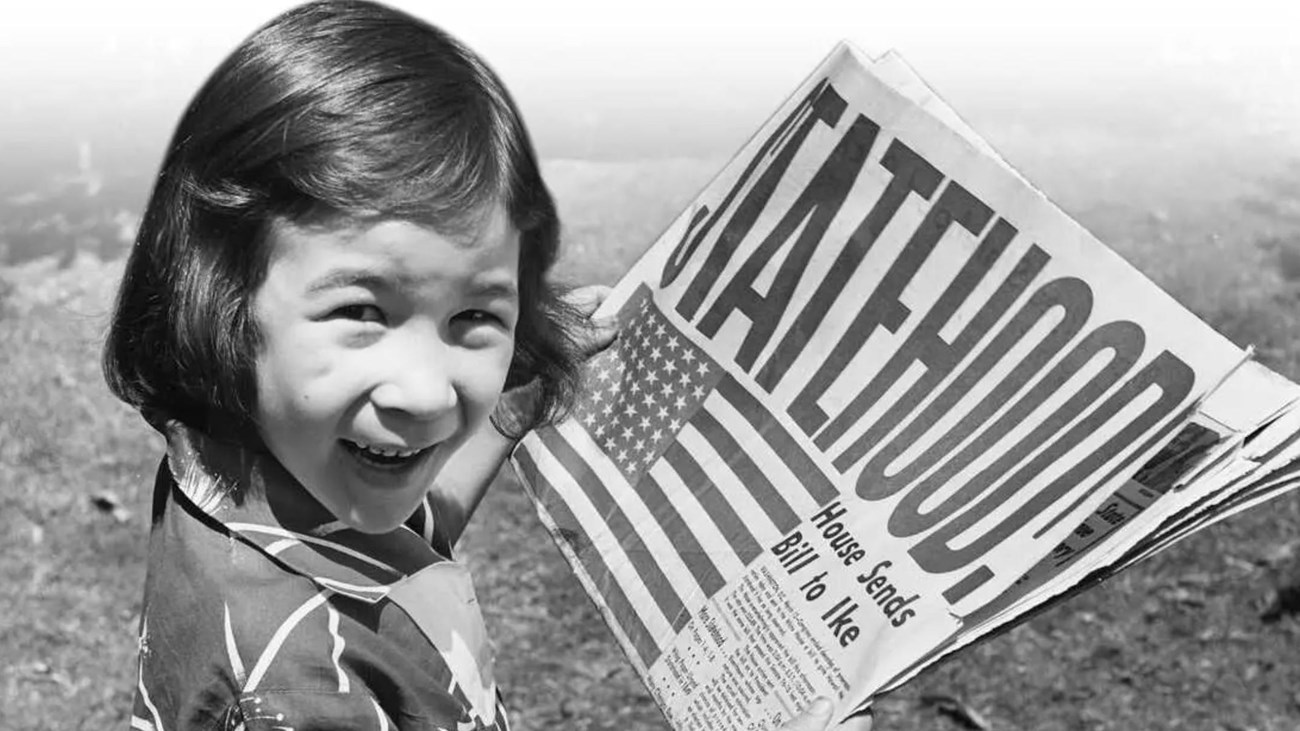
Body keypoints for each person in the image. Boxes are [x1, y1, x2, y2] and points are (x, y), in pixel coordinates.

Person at [104, 1, 872, 729]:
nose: (429, 392)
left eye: (474, 315)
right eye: (362, 311)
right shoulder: (306, 688)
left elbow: (396, 534)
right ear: (221, 296)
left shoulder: (242, 469)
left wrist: (510, 412)